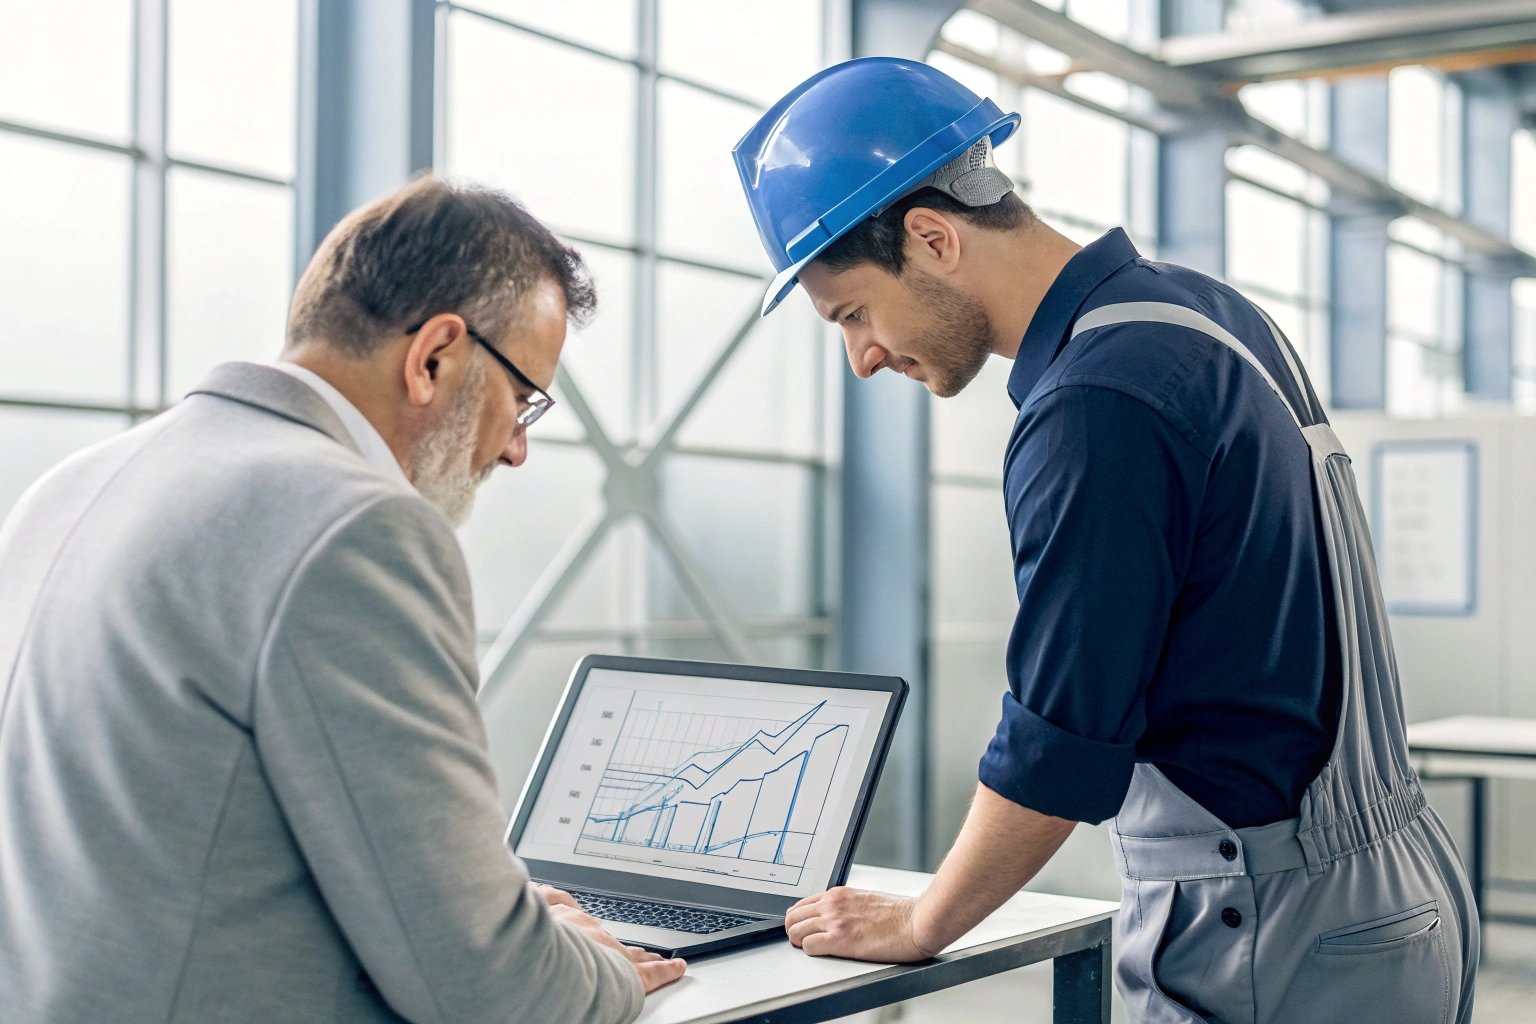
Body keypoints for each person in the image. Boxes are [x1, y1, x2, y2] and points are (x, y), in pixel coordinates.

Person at [733, 57, 1478, 1023]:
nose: (864, 357)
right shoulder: (1198, 310)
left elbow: (1061, 737)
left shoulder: (1096, 400)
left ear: (932, 236)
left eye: (855, 313)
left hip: (1271, 926)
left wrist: (926, 923)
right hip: (1390, 888)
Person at [0, 176, 684, 1022]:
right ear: (434, 356)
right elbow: (493, 994)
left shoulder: (68, 488)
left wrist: (493, 917)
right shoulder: (354, 527)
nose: (515, 450)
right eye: (523, 401)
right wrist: (595, 961)